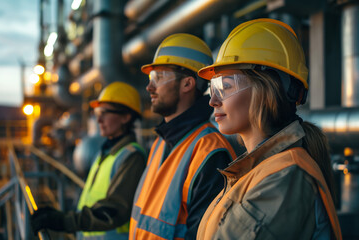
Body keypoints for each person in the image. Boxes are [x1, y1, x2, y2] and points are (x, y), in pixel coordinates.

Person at [196, 18, 342, 240]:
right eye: (212, 88)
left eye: (225, 87)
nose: (213, 100)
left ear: (266, 90)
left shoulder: (285, 178)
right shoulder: (257, 171)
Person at [129, 33, 237, 240]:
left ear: (187, 84)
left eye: (158, 78)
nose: (149, 87)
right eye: (151, 79)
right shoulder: (160, 142)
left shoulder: (212, 152)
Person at [31, 81, 147, 240]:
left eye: (105, 112)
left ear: (126, 117)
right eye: (97, 112)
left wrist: (64, 221)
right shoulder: (106, 152)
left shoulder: (132, 157)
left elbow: (113, 210)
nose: (99, 119)